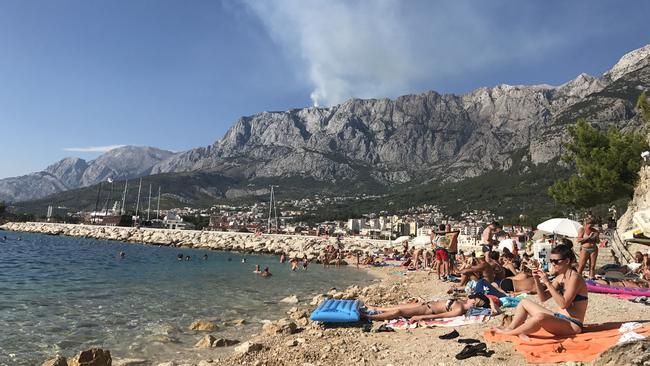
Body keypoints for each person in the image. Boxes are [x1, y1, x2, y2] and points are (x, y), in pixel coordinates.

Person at [494, 244, 588, 339]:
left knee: (540, 317)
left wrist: (547, 283)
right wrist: (537, 280)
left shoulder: (575, 278)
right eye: (551, 261)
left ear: (567, 261)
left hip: (572, 325)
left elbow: (564, 304)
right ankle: (511, 328)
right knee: (524, 302)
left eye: (556, 261)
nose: (553, 264)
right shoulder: (560, 278)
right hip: (559, 318)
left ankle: (509, 333)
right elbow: (543, 298)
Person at [363, 294, 499, 321]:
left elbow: (439, 316)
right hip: (425, 303)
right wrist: (490, 301)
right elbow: (487, 296)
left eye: (473, 299)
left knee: (398, 312)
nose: (470, 298)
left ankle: (368, 316)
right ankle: (375, 307)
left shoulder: (459, 310)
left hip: (427, 309)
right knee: (397, 306)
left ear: (475, 302)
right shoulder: (462, 302)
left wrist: (421, 317)